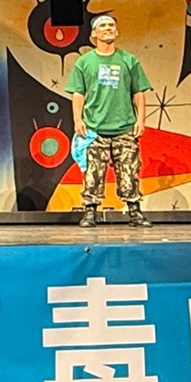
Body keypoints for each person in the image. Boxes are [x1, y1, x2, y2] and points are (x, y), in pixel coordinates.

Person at [66, 14, 153, 229]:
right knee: (93, 173)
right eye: (103, 25)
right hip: (94, 129)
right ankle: (90, 212)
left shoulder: (129, 60)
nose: (108, 28)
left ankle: (134, 212)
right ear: (94, 33)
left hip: (124, 127)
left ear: (117, 31)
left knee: (129, 171)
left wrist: (141, 120)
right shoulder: (84, 62)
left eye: (111, 25)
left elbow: (139, 92)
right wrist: (78, 120)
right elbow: (78, 93)